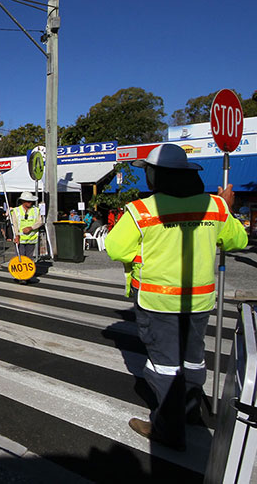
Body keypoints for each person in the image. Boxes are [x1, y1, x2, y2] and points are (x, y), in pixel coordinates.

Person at [105, 143, 247, 451]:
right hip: (199, 302)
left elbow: (115, 248)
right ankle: (190, 412)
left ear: (154, 177)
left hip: (158, 302)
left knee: (164, 367)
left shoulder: (142, 210)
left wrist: (144, 256)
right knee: (193, 360)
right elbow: (238, 240)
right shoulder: (214, 206)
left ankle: (168, 429)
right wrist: (228, 207)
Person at [9, 192, 43, 280]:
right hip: (20, 238)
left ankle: (27, 275)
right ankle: (21, 276)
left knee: (29, 259)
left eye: (31, 201)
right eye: (27, 201)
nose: (29, 203)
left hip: (31, 238)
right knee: (20, 258)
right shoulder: (16, 211)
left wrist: (31, 227)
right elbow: (14, 224)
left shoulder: (36, 210)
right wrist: (16, 235)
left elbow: (40, 222)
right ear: (23, 201)